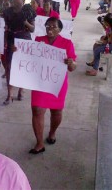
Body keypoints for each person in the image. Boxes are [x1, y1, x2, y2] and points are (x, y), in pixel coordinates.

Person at [29, 17, 77, 154]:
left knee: (56, 111)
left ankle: (52, 132)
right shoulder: (39, 40)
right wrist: (18, 51)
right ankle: (39, 143)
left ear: (60, 29)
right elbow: (30, 57)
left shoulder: (67, 43)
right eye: (48, 26)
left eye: (54, 27)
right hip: (40, 81)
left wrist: (71, 63)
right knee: (37, 109)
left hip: (58, 83)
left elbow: (73, 67)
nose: (50, 29)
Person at [3, 0, 35, 105]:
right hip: (12, 40)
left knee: (23, 67)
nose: (14, 0)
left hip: (24, 40)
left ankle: (21, 91)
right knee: (9, 68)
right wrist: (6, 42)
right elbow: (5, 28)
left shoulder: (28, 11)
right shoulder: (8, 12)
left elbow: (32, 29)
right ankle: (9, 94)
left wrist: (25, 22)